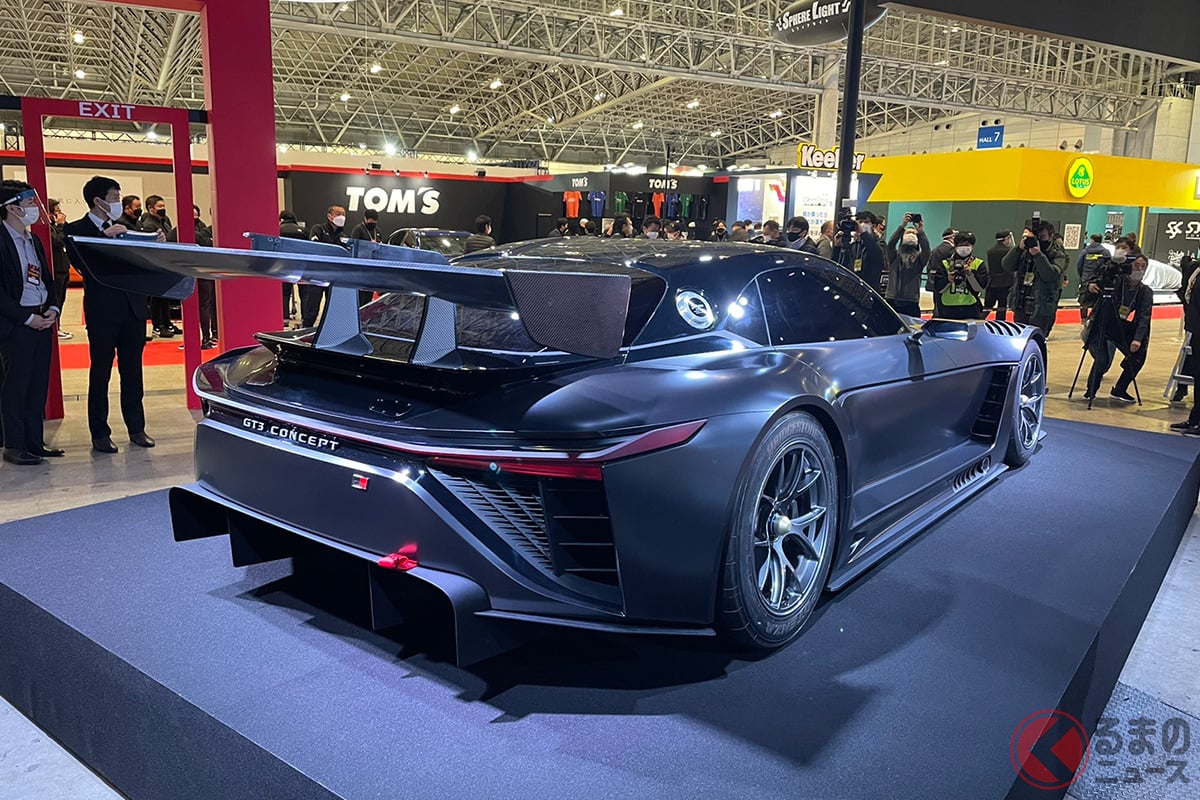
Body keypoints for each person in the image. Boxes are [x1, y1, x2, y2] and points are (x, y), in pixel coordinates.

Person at [64, 175, 159, 454]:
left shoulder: (128, 227)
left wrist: (154, 244)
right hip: (103, 311)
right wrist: (103, 239)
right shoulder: (76, 230)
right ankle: (99, 433)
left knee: (133, 372)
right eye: (115, 198)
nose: (118, 202)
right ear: (98, 201)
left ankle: (136, 428)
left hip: (133, 309)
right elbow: (83, 265)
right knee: (101, 372)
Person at [0, 181, 63, 465]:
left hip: (42, 318)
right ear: (12, 208)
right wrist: (27, 318)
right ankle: (14, 444)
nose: (34, 209)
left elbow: (47, 278)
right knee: (17, 384)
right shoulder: (2, 240)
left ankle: (34, 442)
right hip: (17, 323)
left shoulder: (33, 239)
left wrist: (53, 308)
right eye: (28, 204)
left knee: (38, 384)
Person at [1083, 254, 1152, 403]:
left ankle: (1120, 389)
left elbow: (1144, 317)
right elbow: (1092, 284)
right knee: (1102, 359)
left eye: (1143, 266)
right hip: (1104, 322)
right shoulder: (1116, 282)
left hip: (1122, 325)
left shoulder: (1145, 291)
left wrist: (1137, 339)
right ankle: (1091, 389)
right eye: (1136, 265)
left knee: (1139, 356)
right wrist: (1090, 286)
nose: (1139, 269)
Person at [1003, 223, 1068, 336]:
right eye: (1033, 238)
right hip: (1021, 304)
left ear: (1051, 236)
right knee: (1019, 338)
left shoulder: (1057, 253)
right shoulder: (1024, 252)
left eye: (1042, 237)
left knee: (1037, 339)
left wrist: (1038, 255)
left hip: (1042, 307)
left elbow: (1050, 275)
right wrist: (1018, 249)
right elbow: (1007, 265)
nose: (1037, 241)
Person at [138, 195, 179, 338]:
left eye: (163, 206)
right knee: (157, 296)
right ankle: (157, 325)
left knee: (166, 295)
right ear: (151, 208)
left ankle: (167, 322)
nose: (163, 209)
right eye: (159, 206)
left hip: (167, 261)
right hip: (156, 263)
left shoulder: (165, 220)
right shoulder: (149, 224)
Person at [303, 205, 348, 327]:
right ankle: (306, 329)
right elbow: (314, 247)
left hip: (334, 276)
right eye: (338, 214)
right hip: (317, 275)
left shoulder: (343, 235)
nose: (342, 217)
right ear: (329, 216)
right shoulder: (318, 229)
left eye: (343, 214)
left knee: (331, 310)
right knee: (312, 310)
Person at [929, 232, 987, 320]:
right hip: (947, 309)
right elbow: (938, 288)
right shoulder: (945, 263)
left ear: (972, 246)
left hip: (970, 308)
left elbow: (979, 288)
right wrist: (948, 279)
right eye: (961, 245)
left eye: (967, 245)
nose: (964, 248)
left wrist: (970, 274)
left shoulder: (978, 263)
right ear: (955, 246)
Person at [885, 214, 930, 318]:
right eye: (908, 233)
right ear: (902, 237)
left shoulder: (920, 259)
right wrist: (902, 226)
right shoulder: (894, 256)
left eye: (914, 234)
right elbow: (891, 244)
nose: (911, 235)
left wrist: (921, 231)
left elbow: (926, 249)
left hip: (911, 301)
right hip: (892, 299)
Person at [833, 211, 885, 293]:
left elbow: (876, 255)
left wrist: (863, 233)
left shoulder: (879, 243)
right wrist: (837, 247)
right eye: (859, 222)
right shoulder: (854, 245)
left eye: (866, 222)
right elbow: (839, 265)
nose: (862, 224)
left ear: (874, 225)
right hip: (853, 289)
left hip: (870, 289)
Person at [47, 199, 72, 340]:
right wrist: (61, 226)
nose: (60, 214)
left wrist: (63, 225)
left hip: (63, 268)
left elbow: (66, 238)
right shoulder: (48, 228)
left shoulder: (55, 227)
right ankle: (54, 327)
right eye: (57, 211)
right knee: (56, 300)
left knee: (61, 299)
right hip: (55, 270)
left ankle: (58, 327)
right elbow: (58, 241)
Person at [279, 211, 306, 320]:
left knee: (285, 294)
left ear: (281, 219)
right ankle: (305, 318)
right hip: (302, 265)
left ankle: (284, 318)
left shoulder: (278, 230)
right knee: (304, 294)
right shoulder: (303, 230)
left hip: (284, 265)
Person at [983, 231, 1015, 321]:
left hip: (992, 282)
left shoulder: (990, 251)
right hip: (1005, 283)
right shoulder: (1009, 251)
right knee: (1002, 308)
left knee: (987, 308)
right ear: (1006, 239)